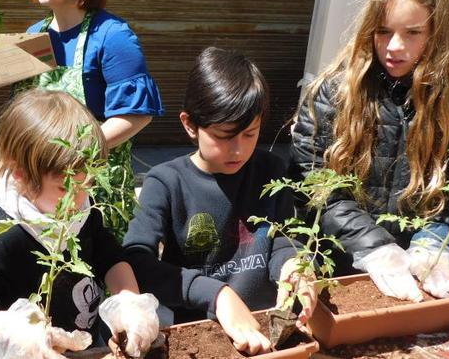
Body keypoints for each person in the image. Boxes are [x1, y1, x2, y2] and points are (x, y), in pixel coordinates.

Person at [291, 0, 449, 303]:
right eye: (383, 31)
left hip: (418, 274)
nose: (394, 46)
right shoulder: (338, 91)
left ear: (438, 34)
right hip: (343, 270)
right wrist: (375, 248)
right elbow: (315, 182)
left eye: (412, 33)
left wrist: (435, 243)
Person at [123, 47, 314, 355]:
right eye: (224, 136)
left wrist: (294, 267)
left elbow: (281, 238)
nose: (237, 150)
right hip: (199, 335)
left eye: (250, 134)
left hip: (265, 326)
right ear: (189, 125)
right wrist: (216, 295)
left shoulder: (270, 171)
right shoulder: (166, 182)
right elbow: (136, 260)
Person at [0, 89, 159, 359]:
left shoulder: (82, 212)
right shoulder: (5, 236)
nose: (80, 196)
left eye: (88, 183)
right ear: (21, 174)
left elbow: (111, 258)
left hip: (86, 345)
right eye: (65, 187)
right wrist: (11, 330)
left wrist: (129, 301)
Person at [24, 0, 163, 239]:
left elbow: (135, 114)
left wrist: (77, 150)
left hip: (97, 191)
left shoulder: (112, 36)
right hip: (43, 189)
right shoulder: (33, 36)